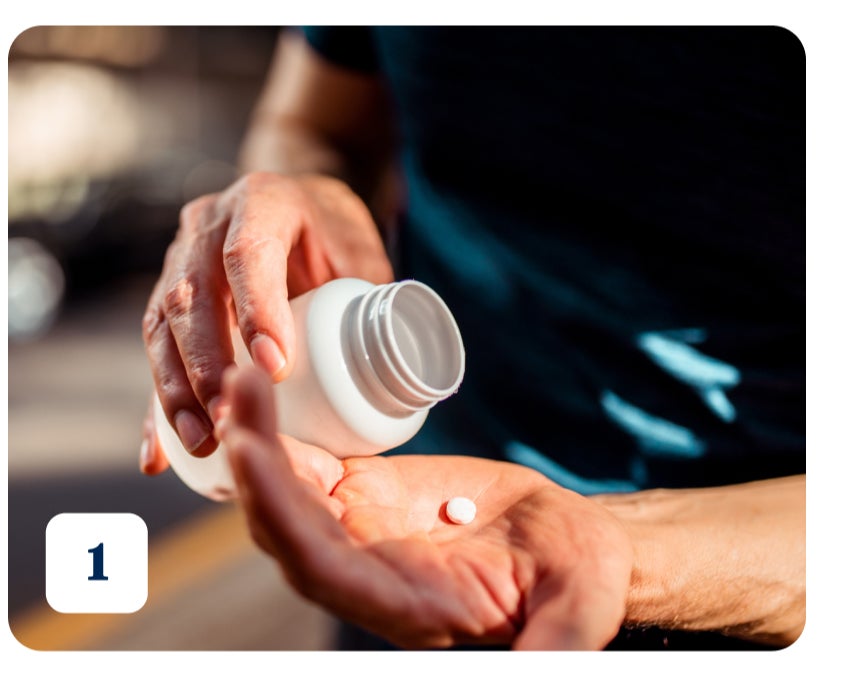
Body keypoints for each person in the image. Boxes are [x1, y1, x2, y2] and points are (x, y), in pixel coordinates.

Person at [139, 26, 805, 650]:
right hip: (398, 529)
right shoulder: (389, 456)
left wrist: (619, 548)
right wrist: (309, 184)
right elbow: (311, 120)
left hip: (742, 588)